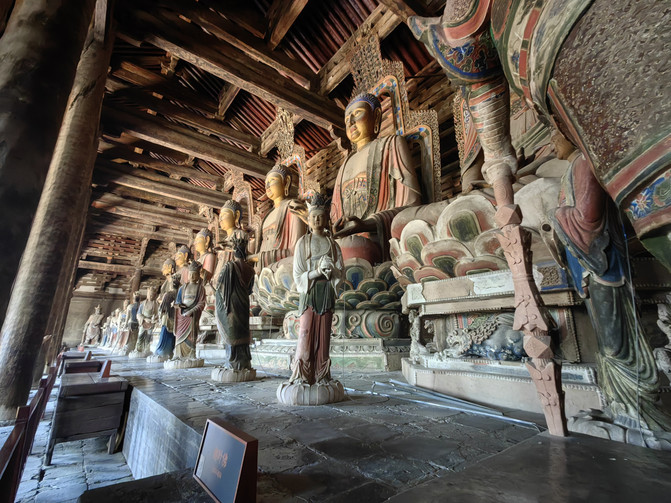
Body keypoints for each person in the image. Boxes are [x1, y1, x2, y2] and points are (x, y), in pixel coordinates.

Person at [330, 93, 421, 263]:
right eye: (347, 119)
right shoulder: (343, 167)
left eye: (357, 113)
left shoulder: (391, 145)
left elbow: (413, 205)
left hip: (381, 241)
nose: (351, 122)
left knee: (356, 249)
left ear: (376, 116)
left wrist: (368, 224)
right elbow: (336, 219)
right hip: (349, 245)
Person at [289, 194, 343, 385]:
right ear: (308, 219)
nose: (317, 220)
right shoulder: (303, 243)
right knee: (305, 332)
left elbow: (340, 272)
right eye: (313, 217)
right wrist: (316, 272)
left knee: (324, 334)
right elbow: (298, 275)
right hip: (309, 291)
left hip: (326, 291)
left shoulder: (333, 245)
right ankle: (302, 374)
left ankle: (322, 374)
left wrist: (331, 270)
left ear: (327, 218)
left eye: (321, 216)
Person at [253, 165, 307, 271]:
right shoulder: (267, 216)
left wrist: (260, 258)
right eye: (266, 183)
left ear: (286, 182)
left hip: (284, 266)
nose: (267, 186)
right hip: (265, 269)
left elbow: (296, 251)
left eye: (272, 180)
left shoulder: (292, 207)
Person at [215, 234, 255, 371]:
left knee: (232, 331)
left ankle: (233, 361)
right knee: (242, 331)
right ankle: (243, 362)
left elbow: (220, 286)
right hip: (243, 303)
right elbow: (249, 290)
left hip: (231, 304)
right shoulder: (250, 269)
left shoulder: (229, 266)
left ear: (234, 252)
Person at [173, 261, 206, 359]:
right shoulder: (182, 288)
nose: (192, 276)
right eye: (190, 274)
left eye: (194, 274)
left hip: (192, 316)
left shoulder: (201, 288)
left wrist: (192, 311)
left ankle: (191, 355)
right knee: (179, 335)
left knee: (191, 336)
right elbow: (178, 301)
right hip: (182, 314)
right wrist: (179, 306)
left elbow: (202, 303)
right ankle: (178, 354)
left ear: (198, 276)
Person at [153, 273, 180, 360]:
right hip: (173, 318)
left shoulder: (170, 294)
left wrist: (160, 315)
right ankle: (168, 351)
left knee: (167, 335)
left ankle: (164, 351)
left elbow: (162, 308)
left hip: (169, 318)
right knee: (171, 336)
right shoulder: (177, 294)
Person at [134, 286, 158, 355]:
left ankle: (146, 349)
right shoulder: (143, 303)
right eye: (149, 294)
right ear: (147, 294)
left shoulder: (155, 304)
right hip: (143, 322)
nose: (150, 296)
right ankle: (138, 349)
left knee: (148, 337)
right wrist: (144, 319)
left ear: (154, 295)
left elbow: (157, 314)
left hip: (151, 323)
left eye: (152, 295)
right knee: (140, 336)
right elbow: (138, 314)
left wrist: (154, 319)